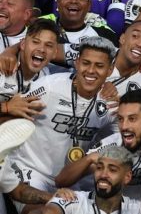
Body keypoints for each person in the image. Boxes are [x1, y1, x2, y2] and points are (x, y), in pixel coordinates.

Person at [1, 37, 116, 193]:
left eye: (99, 66)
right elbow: (11, 113)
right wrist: (6, 108)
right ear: (77, 62)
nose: (90, 70)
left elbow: (117, 143)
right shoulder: (49, 87)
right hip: (31, 170)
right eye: (86, 63)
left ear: (110, 70)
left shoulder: (111, 104)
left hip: (72, 180)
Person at [55, 90, 141, 198]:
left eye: (132, 119)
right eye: (120, 119)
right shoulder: (111, 145)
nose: (124, 126)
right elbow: (61, 180)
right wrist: (89, 159)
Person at [33, 145, 141, 214]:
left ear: (127, 177)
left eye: (112, 170)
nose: (103, 175)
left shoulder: (137, 209)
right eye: (99, 168)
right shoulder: (73, 200)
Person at [40, 0, 119, 68]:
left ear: (89, 5)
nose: (74, 1)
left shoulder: (104, 35)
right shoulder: (40, 29)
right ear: (58, 3)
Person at [0, 19, 60, 116]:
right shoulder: (2, 65)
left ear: (55, 53)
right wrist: (6, 107)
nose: (41, 49)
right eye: (35, 42)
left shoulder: (48, 80)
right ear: (23, 44)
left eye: (49, 45)